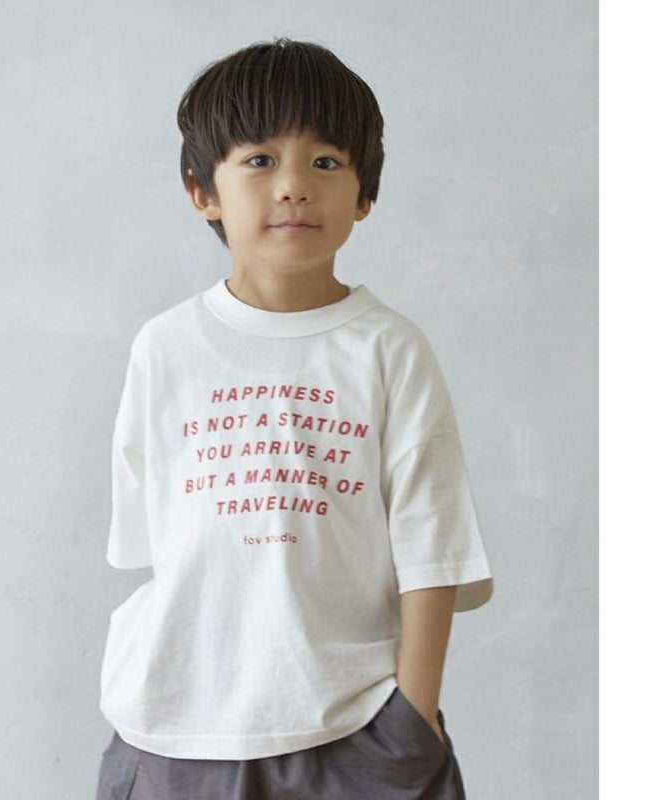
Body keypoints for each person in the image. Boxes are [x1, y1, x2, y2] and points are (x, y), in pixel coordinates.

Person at [95, 38, 493, 800]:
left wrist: (411, 725)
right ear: (201, 191)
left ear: (365, 194)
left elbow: (433, 546)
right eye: (258, 160)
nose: (293, 187)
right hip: (174, 730)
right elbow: (157, 541)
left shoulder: (388, 348)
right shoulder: (166, 347)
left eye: (326, 162)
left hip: (356, 730)